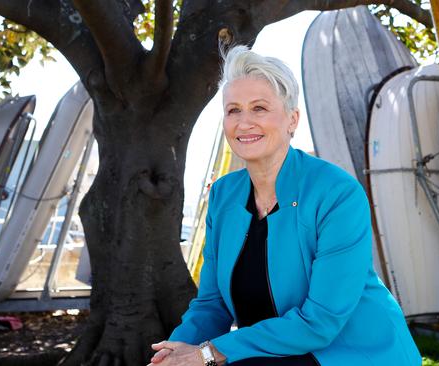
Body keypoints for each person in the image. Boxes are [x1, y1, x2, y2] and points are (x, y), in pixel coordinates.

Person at [148, 45, 421, 366]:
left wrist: (207, 353)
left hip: (351, 353)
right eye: (233, 110)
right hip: (267, 353)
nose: (244, 122)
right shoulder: (223, 195)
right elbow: (212, 304)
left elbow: (320, 322)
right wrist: (174, 352)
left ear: (292, 119)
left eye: (259, 108)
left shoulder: (337, 193)